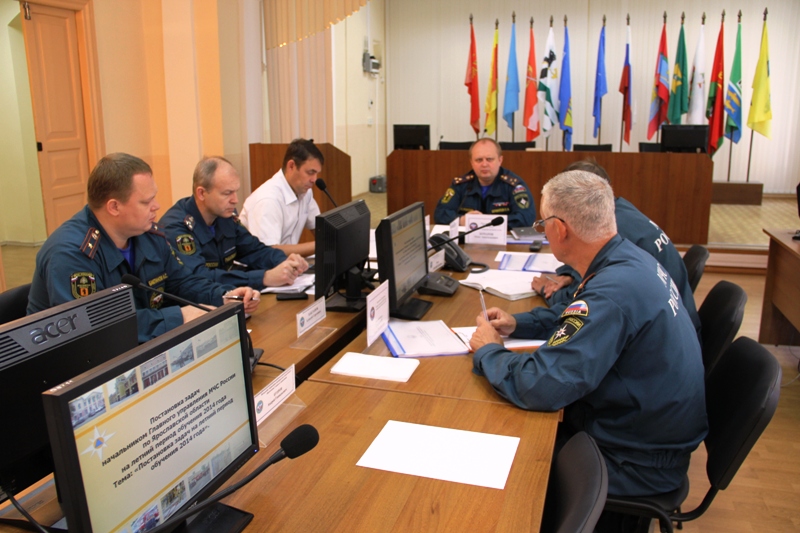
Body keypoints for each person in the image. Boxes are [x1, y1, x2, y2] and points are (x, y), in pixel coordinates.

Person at [469, 170, 707, 500]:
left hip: (634, 461)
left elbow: (541, 386)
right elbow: (579, 318)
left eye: (542, 224)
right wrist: (519, 324)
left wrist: (490, 351)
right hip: (645, 435)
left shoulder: (613, 291)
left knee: (500, 460)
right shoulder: (625, 257)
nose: (542, 231)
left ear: (559, 229)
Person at [28, 153, 259, 343]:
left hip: (139, 349)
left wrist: (223, 296)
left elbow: (181, 282)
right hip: (76, 369)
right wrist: (178, 317)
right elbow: (94, 327)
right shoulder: (71, 254)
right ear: (114, 207)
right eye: (146, 202)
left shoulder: (147, 234)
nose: (156, 206)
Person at [531, 159, 701, 337]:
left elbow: (581, 305)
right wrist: (570, 274)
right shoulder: (619, 211)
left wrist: (548, 292)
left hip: (661, 334)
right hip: (676, 327)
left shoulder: (613, 232)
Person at [160, 156, 308, 290]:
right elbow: (200, 277)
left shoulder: (224, 215)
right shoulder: (177, 228)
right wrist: (264, 277)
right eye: (227, 193)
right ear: (202, 193)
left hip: (226, 297)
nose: (235, 200)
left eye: (236, 191)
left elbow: (254, 250)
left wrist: (285, 261)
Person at [240, 139, 322, 257]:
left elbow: (319, 229)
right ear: (291, 166)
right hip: (259, 266)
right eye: (310, 172)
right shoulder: (268, 200)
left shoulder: (304, 192)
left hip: (286, 263)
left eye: (316, 173)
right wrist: (320, 245)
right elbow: (268, 253)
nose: (314, 179)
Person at [433, 138, 535, 228]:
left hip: (503, 240)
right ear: (471, 162)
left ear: (500, 160)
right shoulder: (460, 185)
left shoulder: (514, 186)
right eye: (479, 160)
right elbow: (440, 213)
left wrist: (486, 222)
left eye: (489, 159)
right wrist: (461, 220)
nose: (484, 164)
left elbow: (526, 218)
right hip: (468, 240)